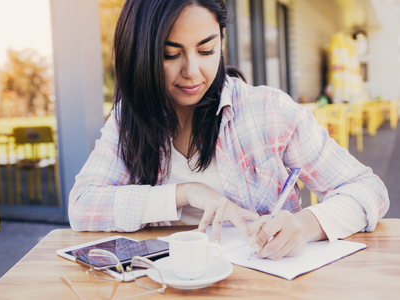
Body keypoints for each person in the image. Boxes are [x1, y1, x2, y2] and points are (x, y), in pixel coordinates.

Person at [69, 0, 389, 260]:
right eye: (170, 54)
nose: (192, 72)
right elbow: (83, 206)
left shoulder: (268, 112)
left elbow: (368, 188)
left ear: (221, 38)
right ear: (140, 53)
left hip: (261, 283)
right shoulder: (130, 119)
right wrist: (185, 193)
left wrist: (306, 225)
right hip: (163, 284)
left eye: (207, 50)